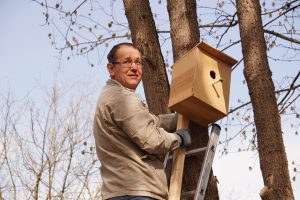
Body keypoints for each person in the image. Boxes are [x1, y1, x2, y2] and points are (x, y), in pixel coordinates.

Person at [93, 42, 191, 200]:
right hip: (136, 193)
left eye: (138, 62)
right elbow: (152, 139)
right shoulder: (122, 98)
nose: (134, 67)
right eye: (127, 62)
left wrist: (178, 118)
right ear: (111, 69)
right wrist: (178, 138)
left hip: (121, 192)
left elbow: (149, 123)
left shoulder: (111, 95)